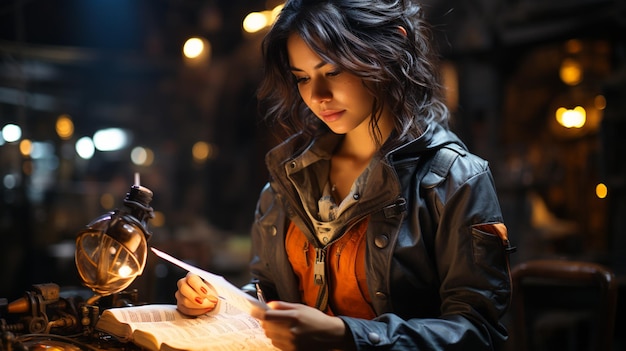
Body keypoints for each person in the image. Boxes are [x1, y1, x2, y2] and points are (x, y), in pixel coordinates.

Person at [175, 0, 515, 349]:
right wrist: (220, 301)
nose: (318, 96)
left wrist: (345, 335)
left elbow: (479, 332)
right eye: (303, 78)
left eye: (333, 72)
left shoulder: (455, 179)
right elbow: (269, 291)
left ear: (390, 50)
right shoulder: (290, 176)